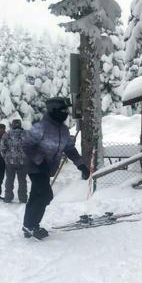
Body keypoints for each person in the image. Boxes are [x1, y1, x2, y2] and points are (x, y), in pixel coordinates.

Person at [22, 97, 90, 239]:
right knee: (46, 195)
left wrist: (81, 165)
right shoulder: (41, 127)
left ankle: (28, 225)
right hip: (35, 167)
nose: (66, 113)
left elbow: (70, 149)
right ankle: (31, 225)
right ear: (54, 110)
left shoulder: (64, 130)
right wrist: (40, 161)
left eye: (67, 110)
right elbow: (26, 145)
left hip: (47, 169)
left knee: (36, 196)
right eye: (63, 110)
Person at [0, 119, 28, 204]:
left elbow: (2, 147)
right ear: (20, 125)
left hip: (10, 161)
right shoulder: (26, 134)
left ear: (12, 125)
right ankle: (23, 198)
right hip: (22, 161)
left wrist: (5, 157)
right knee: (22, 180)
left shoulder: (7, 134)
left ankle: (8, 197)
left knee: (9, 179)